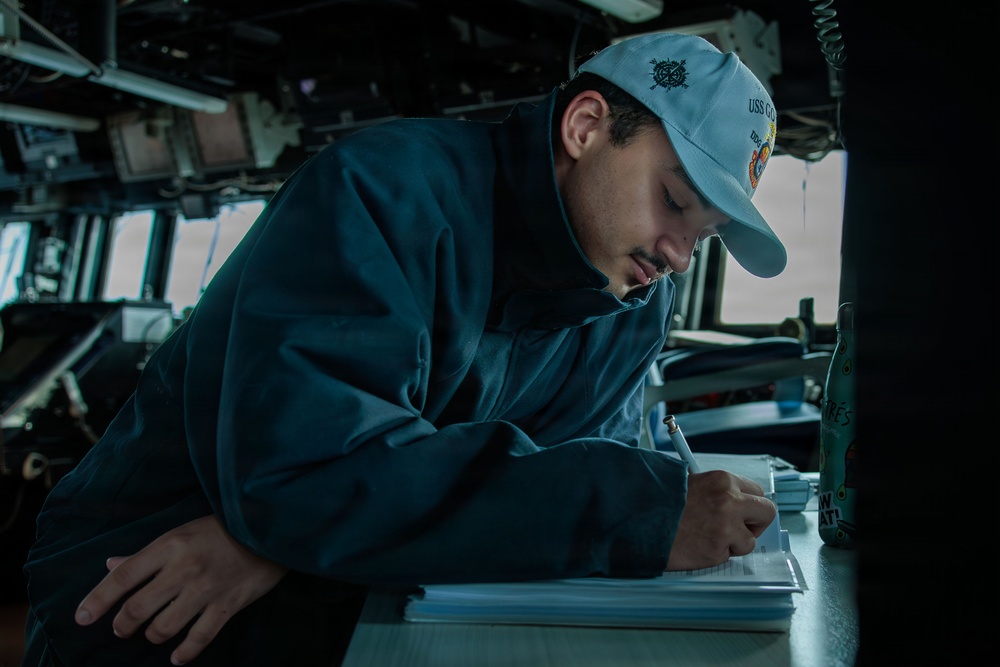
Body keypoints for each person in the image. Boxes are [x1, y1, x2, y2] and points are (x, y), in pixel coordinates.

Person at [22, 32, 786, 666]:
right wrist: (636, 507)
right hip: (150, 593)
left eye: (704, 233)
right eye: (676, 201)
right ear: (585, 126)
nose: (681, 253)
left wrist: (282, 538)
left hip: (354, 595)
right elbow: (308, 471)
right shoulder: (383, 191)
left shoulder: (633, 304)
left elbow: (540, 481)